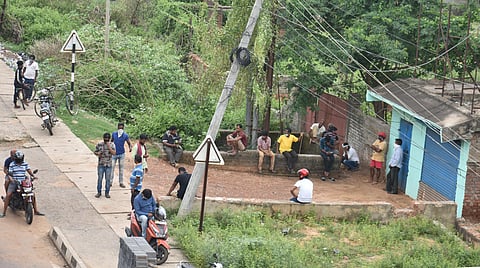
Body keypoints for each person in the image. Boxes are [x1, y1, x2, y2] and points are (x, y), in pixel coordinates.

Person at [1, 151, 44, 218]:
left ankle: (36, 211)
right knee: (8, 195)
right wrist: (11, 178)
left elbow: (29, 170)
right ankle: (4, 212)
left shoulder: (25, 164)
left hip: (23, 182)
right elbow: (9, 173)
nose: (19, 160)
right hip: (15, 182)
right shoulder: (12, 164)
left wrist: (33, 176)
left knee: (32, 194)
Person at [94, 132, 116, 198]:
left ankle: (107, 193)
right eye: (105, 139)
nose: (106, 141)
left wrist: (109, 147)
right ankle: (99, 192)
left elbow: (114, 153)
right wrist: (98, 153)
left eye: (107, 139)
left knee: (108, 179)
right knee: (100, 179)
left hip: (108, 165)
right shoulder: (100, 144)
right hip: (101, 164)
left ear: (109, 139)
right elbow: (95, 151)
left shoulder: (112, 145)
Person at [110, 123, 132, 188]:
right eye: (119, 127)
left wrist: (130, 147)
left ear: (123, 128)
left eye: (121, 128)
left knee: (121, 169)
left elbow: (128, 142)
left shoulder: (125, 135)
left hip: (121, 153)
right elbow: (111, 141)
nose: (120, 129)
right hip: (114, 153)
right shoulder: (114, 134)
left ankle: (121, 182)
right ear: (117, 127)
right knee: (112, 168)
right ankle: (110, 182)